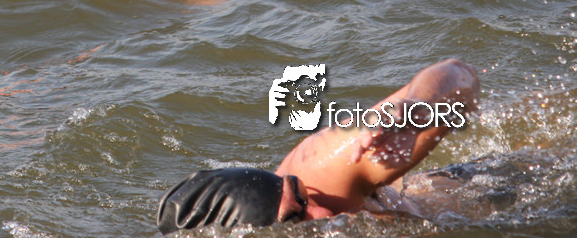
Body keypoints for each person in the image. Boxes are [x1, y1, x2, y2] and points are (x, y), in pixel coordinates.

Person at [156, 58, 479, 232]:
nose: (322, 211)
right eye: (294, 218)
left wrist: (416, 109)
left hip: (481, 195)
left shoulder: (320, 175)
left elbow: (459, 73)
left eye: (299, 195)